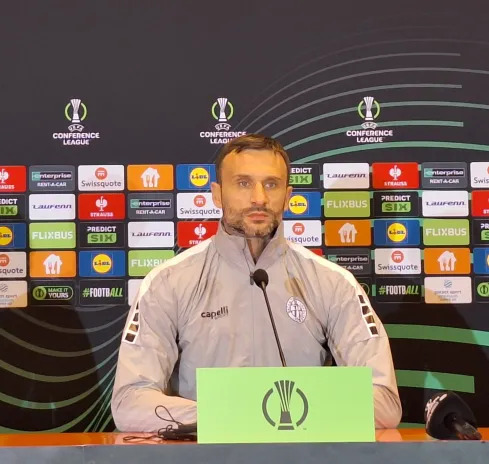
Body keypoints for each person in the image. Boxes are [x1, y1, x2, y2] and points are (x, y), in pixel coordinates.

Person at [111, 134, 402, 431]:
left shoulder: (334, 283)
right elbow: (130, 403)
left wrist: (290, 415)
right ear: (217, 194)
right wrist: (233, 417)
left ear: (288, 196)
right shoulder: (168, 282)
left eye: (271, 184)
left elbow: (384, 403)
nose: (259, 198)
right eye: (243, 183)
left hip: (302, 453)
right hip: (205, 453)